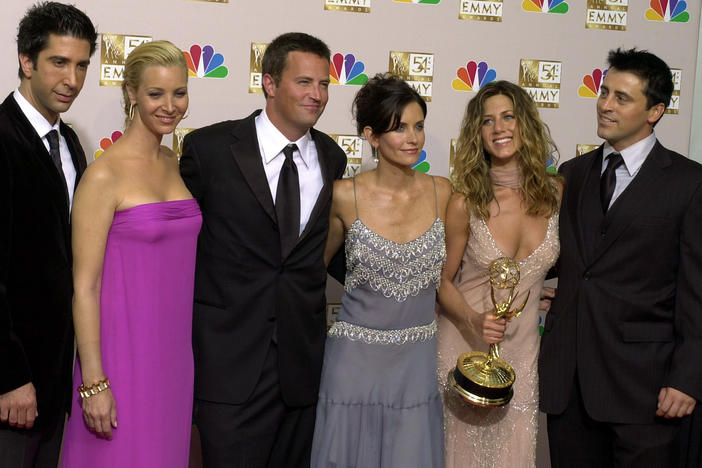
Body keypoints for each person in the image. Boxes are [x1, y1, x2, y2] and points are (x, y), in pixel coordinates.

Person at [179, 32, 346, 467]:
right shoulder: (210, 150)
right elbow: (176, 250)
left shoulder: (332, 157)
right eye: (304, 82)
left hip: (301, 370)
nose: (318, 95)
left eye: (324, 84)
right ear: (270, 83)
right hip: (229, 367)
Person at [539, 48, 702, 467]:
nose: (605, 105)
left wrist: (687, 379)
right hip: (569, 384)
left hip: (646, 390)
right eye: (604, 91)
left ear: (656, 111)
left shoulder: (690, 183)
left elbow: (697, 294)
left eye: (622, 98)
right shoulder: (571, 175)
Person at [61, 40, 201, 467]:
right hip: (120, 360)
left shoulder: (174, 162)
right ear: (131, 93)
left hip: (174, 359)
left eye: (179, 93)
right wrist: (94, 383)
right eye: (156, 94)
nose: (170, 106)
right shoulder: (103, 175)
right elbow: (84, 286)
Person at [311, 74, 451, 468]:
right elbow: (308, 274)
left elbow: (459, 274)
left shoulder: (443, 192)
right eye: (399, 127)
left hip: (417, 365)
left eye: (419, 126)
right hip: (353, 366)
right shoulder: (344, 195)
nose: (413, 138)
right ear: (372, 136)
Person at [436, 80, 561, 467]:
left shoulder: (557, 194)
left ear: (525, 123)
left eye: (508, 116)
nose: (499, 128)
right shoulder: (465, 202)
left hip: (522, 356)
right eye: (487, 121)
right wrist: (474, 320)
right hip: (463, 347)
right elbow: (442, 281)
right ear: (478, 134)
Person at [0, 3, 96, 466]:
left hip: (55, 383)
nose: (72, 80)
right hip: (12, 386)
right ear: (26, 61)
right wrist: (10, 375)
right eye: (59, 62)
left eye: (81, 65)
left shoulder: (71, 144)